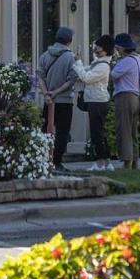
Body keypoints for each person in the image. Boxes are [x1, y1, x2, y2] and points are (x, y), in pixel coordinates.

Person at [36, 25, 79, 171]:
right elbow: (72, 79)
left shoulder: (44, 55)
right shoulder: (70, 57)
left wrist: (47, 93)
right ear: (69, 40)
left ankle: (43, 159)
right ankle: (57, 162)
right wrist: (56, 92)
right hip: (64, 101)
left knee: (46, 131)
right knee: (62, 132)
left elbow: (40, 77)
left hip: (49, 102)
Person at [75, 35, 114, 171]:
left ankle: (99, 163)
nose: (95, 48)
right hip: (97, 100)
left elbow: (86, 78)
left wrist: (78, 62)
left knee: (97, 133)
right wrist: (78, 65)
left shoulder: (103, 66)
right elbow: (86, 70)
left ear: (105, 49)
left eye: (98, 46)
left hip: (97, 101)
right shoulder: (99, 63)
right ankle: (107, 162)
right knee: (100, 132)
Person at [110, 33, 140, 170]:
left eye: (118, 48)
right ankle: (135, 161)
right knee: (133, 131)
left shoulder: (126, 61)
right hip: (135, 97)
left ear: (123, 48)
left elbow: (112, 76)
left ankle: (127, 162)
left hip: (125, 97)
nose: (117, 50)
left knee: (124, 129)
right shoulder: (137, 60)